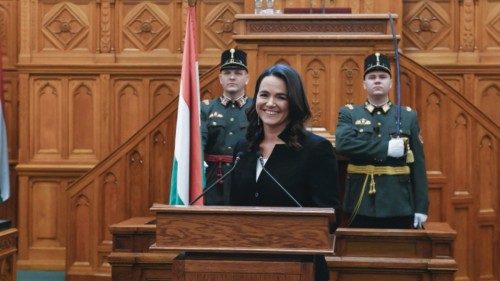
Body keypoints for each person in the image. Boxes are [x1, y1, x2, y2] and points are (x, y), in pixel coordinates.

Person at [229, 64, 340, 281]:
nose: (270, 104)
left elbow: (330, 217)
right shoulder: (244, 147)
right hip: (247, 264)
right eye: (264, 95)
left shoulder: (315, 149)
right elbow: (234, 207)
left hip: (299, 265)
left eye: (281, 97)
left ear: (294, 102)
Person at [335, 52, 429, 229]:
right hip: (360, 201)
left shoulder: (408, 116)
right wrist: (386, 149)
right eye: (371, 77)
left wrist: (421, 206)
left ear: (391, 83)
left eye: (382, 76)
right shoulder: (349, 113)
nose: (377, 80)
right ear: (364, 84)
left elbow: (418, 165)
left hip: (399, 203)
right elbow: (343, 145)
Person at [201, 48, 252, 205]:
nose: (232, 77)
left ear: (247, 78)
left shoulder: (256, 108)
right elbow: (198, 145)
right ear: (220, 78)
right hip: (213, 178)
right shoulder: (205, 108)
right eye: (227, 72)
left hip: (246, 176)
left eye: (238, 73)